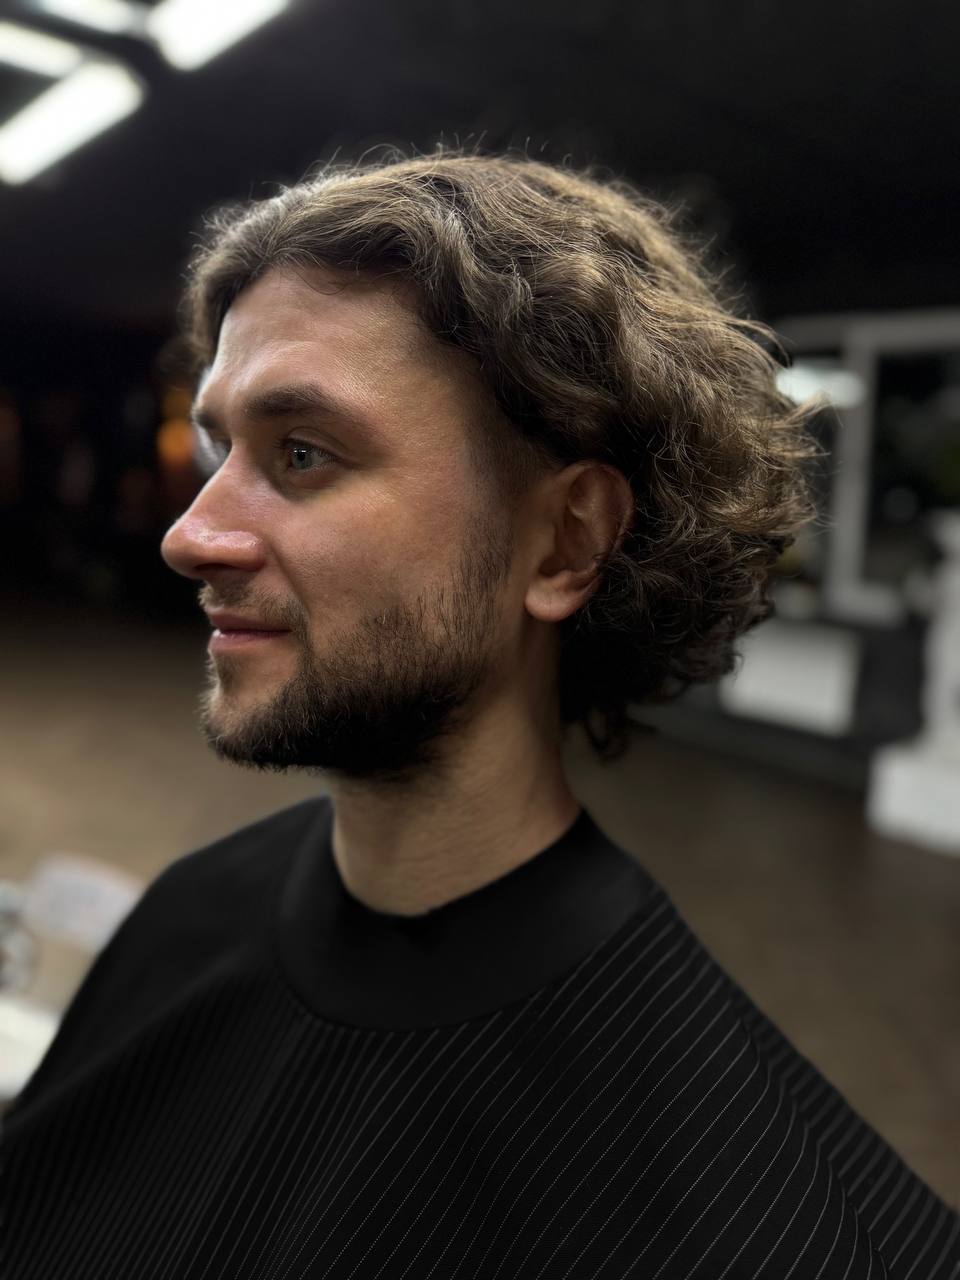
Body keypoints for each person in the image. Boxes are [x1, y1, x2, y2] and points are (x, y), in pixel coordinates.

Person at [3, 147, 957, 1279]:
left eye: (301, 453)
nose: (189, 535)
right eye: (221, 448)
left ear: (565, 542)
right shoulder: (194, 908)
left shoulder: (766, 1215)